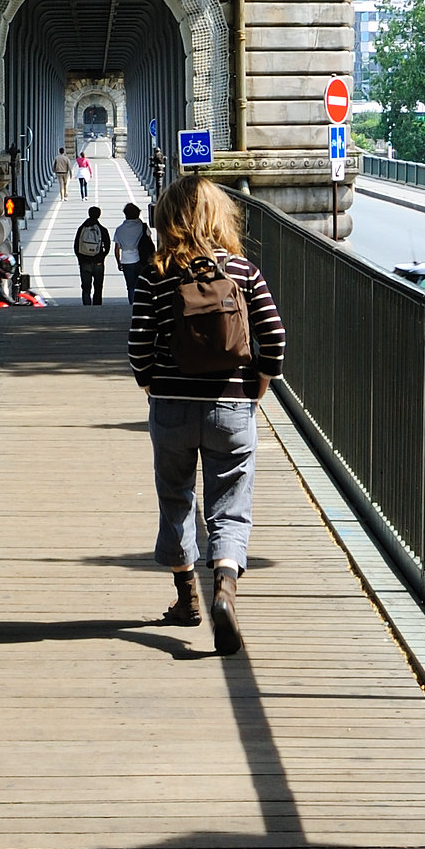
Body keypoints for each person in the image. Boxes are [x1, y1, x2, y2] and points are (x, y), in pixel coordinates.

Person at [127, 175, 285, 657]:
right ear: (221, 217)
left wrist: (152, 384)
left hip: (172, 405)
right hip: (231, 404)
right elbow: (274, 339)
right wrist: (256, 388)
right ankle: (225, 590)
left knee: (175, 496)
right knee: (230, 503)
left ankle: (186, 599)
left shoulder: (157, 273)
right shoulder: (243, 271)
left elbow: (138, 348)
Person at [112, 201, 152, 302]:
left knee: (130, 286)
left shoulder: (119, 229)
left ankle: (132, 305)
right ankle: (142, 304)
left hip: (126, 260)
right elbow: (150, 243)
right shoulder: (143, 227)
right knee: (142, 285)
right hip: (142, 260)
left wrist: (118, 262)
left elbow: (117, 248)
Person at [73, 205, 111, 304]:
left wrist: (80, 258)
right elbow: (107, 245)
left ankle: (87, 306)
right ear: (99, 215)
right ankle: (97, 306)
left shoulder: (82, 229)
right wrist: (101, 257)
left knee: (86, 287)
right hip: (98, 262)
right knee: (98, 286)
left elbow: (76, 245)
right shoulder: (102, 229)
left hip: (84, 261)